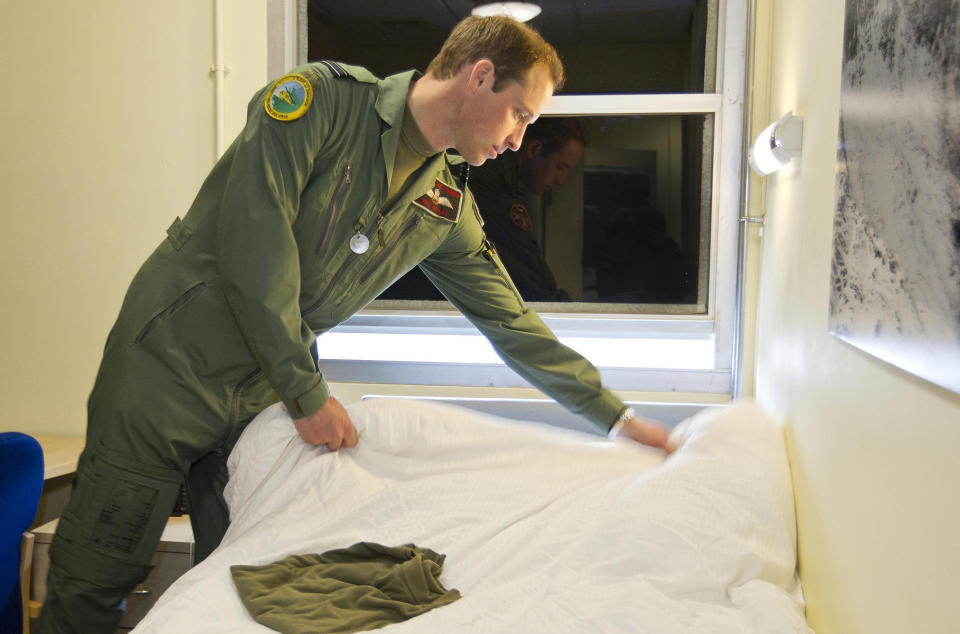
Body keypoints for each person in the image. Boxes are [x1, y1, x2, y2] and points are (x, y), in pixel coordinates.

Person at [38, 15, 671, 633]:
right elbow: (254, 252)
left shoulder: (444, 202)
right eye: (521, 114)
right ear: (479, 77)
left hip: (261, 393)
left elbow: (511, 321)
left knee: (240, 575)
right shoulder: (321, 104)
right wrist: (307, 393)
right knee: (98, 573)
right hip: (170, 367)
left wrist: (614, 416)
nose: (517, 139)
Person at [471, 117, 584, 301]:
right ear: (534, 149)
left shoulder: (505, 182)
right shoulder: (492, 186)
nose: (561, 179)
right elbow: (523, 266)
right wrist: (560, 305)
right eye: (560, 167)